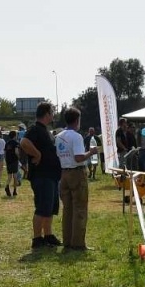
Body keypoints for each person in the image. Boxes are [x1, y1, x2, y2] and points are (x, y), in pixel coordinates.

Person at [20, 102, 61, 249]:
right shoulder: (35, 129)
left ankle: (48, 235)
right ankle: (37, 238)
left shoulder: (45, 130)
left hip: (51, 175)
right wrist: (37, 154)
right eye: (52, 112)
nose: (53, 115)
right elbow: (24, 142)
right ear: (46, 114)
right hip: (42, 175)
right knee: (42, 207)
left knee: (50, 208)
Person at [55, 107, 91, 252]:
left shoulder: (59, 136)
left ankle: (67, 240)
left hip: (64, 173)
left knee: (67, 209)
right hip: (77, 173)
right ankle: (78, 243)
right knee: (80, 208)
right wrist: (91, 152)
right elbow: (79, 157)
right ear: (77, 120)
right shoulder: (76, 137)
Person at [2, 128, 20, 198]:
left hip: (8, 161)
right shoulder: (16, 143)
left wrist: (6, 160)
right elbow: (16, 152)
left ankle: (7, 186)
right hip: (14, 160)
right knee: (15, 176)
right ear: (15, 136)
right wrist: (19, 157)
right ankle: (14, 190)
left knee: (9, 176)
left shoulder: (7, 143)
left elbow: (5, 153)